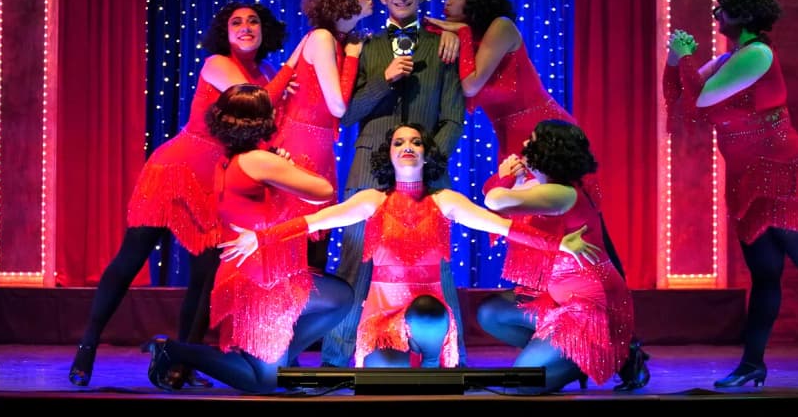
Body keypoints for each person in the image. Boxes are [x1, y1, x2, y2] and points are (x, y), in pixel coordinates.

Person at [426, 0, 649, 389]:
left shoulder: (500, 27)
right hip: (513, 143)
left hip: (545, 134)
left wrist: (461, 33)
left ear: (476, 2)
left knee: (584, 231)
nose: (447, 3)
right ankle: (576, 341)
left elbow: (472, 83)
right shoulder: (461, 39)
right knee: (542, 239)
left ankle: (619, 338)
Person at [226, 123, 587, 369]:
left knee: (427, 309)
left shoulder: (445, 199)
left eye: (415, 142)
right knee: (387, 379)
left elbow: (502, 226)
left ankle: (432, 364)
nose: (408, 147)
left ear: (426, 154)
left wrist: (557, 244)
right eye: (399, 142)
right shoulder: (372, 200)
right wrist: (260, 238)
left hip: (429, 318)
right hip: (382, 318)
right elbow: (315, 221)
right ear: (390, 156)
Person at [69, 2, 296, 388]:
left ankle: (182, 364)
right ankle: (87, 344)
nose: (244, 27)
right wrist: (294, 67)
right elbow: (256, 103)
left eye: (252, 21)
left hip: (217, 182)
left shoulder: (267, 74)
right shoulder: (218, 64)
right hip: (176, 170)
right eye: (235, 22)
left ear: (264, 30)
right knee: (131, 257)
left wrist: (276, 151)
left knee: (206, 276)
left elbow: (261, 125)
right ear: (225, 33)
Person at [141, 83, 353, 394]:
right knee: (264, 383)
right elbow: (323, 190)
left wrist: (279, 166)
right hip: (262, 281)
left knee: (339, 297)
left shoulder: (226, 161)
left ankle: (277, 361)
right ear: (265, 121)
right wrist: (288, 165)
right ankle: (175, 351)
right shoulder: (260, 161)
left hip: (251, 272)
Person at [320, 0, 468, 367]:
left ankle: (452, 362)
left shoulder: (443, 45)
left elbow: (454, 115)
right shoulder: (364, 47)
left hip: (427, 170)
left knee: (436, 265)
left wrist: (428, 161)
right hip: (369, 164)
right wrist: (383, 81)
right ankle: (336, 362)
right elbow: (346, 113)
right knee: (355, 263)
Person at [665, 0, 798, 388]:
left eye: (722, 8)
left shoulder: (756, 54)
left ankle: (751, 365)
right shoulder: (731, 58)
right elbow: (682, 103)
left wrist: (687, 60)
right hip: (746, 178)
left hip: (780, 173)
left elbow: (703, 99)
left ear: (743, 14)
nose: (715, 16)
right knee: (765, 274)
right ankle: (752, 365)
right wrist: (674, 61)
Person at [478, 119, 634, 394]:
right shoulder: (541, 185)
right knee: (491, 313)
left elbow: (495, 201)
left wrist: (504, 175)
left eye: (533, 140)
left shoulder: (561, 193)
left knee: (521, 385)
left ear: (548, 150)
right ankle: (557, 355)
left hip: (588, 311)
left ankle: (579, 358)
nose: (525, 144)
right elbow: (497, 201)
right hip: (556, 303)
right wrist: (512, 179)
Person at [269, 0, 373, 270]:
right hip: (301, 147)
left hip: (317, 148)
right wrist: (353, 56)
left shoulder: (330, 39)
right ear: (338, 1)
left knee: (314, 238)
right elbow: (338, 106)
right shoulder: (323, 37)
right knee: (304, 240)